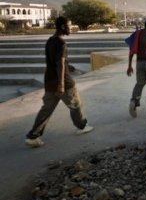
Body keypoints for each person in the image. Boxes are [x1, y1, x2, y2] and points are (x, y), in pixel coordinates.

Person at [25, 16, 94, 148]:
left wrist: (69, 66)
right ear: (63, 27)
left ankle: (33, 136)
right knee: (76, 104)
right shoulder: (62, 44)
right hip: (64, 82)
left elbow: (56, 61)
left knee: (46, 109)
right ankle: (82, 126)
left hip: (49, 81)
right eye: (69, 25)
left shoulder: (50, 41)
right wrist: (61, 85)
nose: (71, 28)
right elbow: (60, 64)